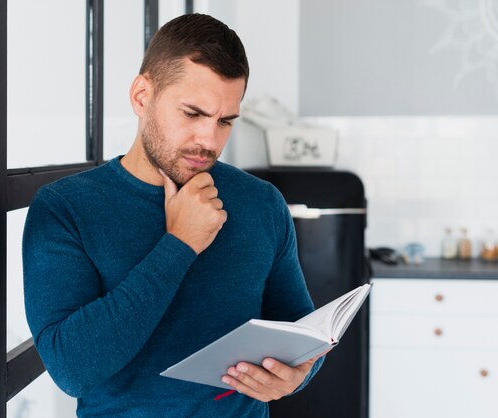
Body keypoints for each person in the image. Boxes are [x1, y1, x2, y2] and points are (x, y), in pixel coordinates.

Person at [23, 13, 323, 417]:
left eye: (225, 121)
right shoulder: (65, 208)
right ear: (142, 96)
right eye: (192, 114)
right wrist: (180, 244)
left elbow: (300, 330)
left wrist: (298, 376)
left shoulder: (261, 202)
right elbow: (72, 370)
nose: (209, 140)